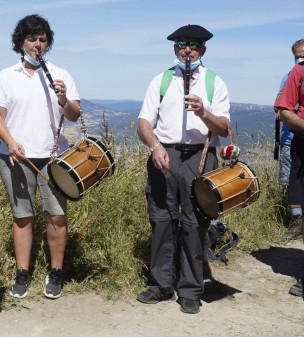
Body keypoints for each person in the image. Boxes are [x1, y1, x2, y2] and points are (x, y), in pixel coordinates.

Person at [136, 24, 231, 314]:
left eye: (191, 45)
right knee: (162, 220)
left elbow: (224, 128)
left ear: (202, 49)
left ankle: (190, 290)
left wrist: (203, 112)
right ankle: (160, 285)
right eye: (180, 44)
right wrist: (155, 146)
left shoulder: (215, 82)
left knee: (194, 223)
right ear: (174, 48)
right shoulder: (161, 81)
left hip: (200, 155)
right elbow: (143, 122)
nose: (185, 49)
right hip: (164, 153)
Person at [0, 14, 81, 300]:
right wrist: (10, 142)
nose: (37, 44)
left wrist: (64, 99)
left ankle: (56, 272)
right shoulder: (6, 76)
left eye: (42, 39)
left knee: (57, 216)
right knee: (22, 217)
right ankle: (22, 272)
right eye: (32, 39)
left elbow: (75, 115)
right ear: (21, 43)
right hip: (15, 157)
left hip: (54, 157)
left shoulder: (60, 74)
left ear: (48, 43)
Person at [275, 38, 304, 301]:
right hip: (299, 142)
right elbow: (283, 110)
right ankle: (296, 220)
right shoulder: (297, 74)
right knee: (296, 191)